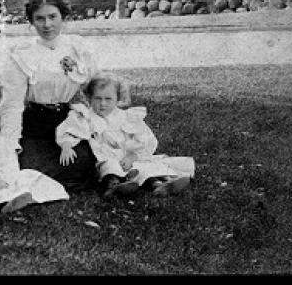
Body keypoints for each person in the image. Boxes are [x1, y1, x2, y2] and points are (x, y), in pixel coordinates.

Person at [0, 0, 131, 193]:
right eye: (39, 18)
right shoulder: (21, 54)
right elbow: (12, 106)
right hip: (34, 124)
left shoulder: (77, 47)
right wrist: (9, 147)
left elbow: (96, 84)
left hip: (68, 122)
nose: (47, 25)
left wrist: (110, 119)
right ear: (31, 22)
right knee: (29, 166)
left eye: (53, 17)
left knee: (84, 160)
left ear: (63, 17)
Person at [56, 73, 195, 197]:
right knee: (110, 167)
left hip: (128, 156)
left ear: (118, 99)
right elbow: (71, 130)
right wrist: (66, 146)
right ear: (89, 98)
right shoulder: (86, 116)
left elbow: (145, 139)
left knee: (143, 167)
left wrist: (133, 155)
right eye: (97, 98)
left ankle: (160, 185)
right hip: (105, 157)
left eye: (108, 99)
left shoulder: (126, 117)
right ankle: (114, 187)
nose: (102, 104)